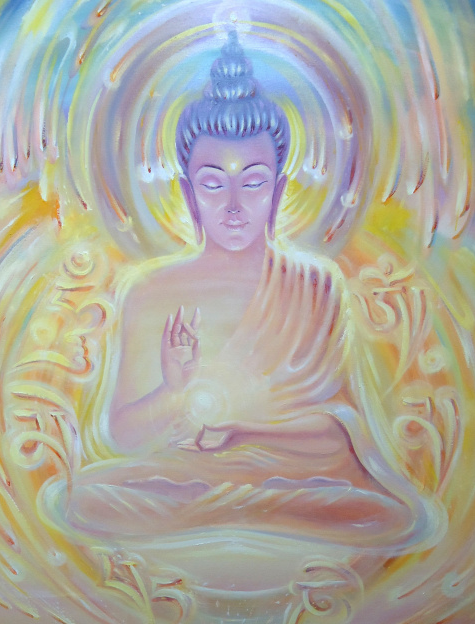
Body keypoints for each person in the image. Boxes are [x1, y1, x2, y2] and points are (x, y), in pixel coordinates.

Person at [50, 32, 443, 556]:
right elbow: (121, 437)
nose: (234, 205)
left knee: (383, 514)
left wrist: (245, 435)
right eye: (214, 184)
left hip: (286, 485)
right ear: (188, 193)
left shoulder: (317, 284)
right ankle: (234, 515)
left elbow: (338, 436)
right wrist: (172, 391)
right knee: (85, 498)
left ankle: (233, 515)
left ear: (278, 191)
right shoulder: (148, 290)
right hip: (181, 483)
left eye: (253, 182)